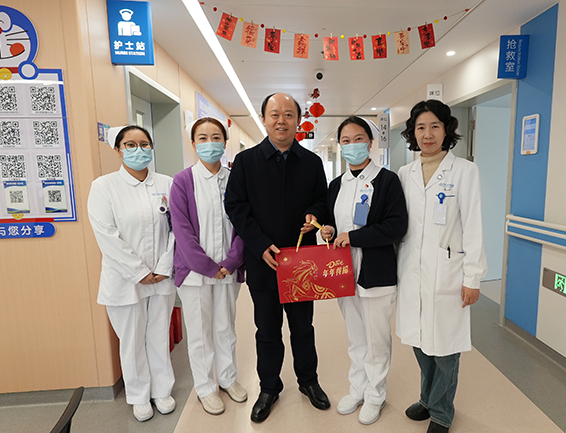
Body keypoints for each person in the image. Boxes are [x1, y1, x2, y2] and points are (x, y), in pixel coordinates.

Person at [225, 93, 330, 423]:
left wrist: (314, 215)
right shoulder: (246, 162)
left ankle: (308, 381)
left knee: (303, 328)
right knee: (267, 330)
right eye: (274, 114)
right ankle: (269, 387)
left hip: (301, 263)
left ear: (298, 120)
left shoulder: (311, 162)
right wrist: (260, 244)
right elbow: (235, 206)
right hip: (264, 262)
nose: (281, 120)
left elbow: (322, 200)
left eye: (288, 114)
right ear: (264, 119)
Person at [396, 100, 487, 433]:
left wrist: (473, 277)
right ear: (412, 133)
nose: (428, 134)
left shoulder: (464, 171)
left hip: (449, 271)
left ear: (447, 129)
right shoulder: (404, 174)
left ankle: (441, 412)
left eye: (435, 126)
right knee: (420, 341)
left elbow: (474, 225)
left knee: (446, 348)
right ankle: (427, 398)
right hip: (412, 270)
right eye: (421, 127)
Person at [320, 116, 408, 425]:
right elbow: (332, 222)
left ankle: (375, 395)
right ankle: (357, 388)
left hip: (375, 273)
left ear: (370, 143)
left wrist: (354, 237)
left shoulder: (387, 181)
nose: (352, 145)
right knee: (355, 337)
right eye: (346, 141)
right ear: (340, 146)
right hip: (344, 273)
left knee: (376, 339)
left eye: (358, 139)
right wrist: (329, 231)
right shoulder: (336, 185)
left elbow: (395, 226)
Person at [87, 125, 176, 422]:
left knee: (158, 334)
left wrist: (163, 266)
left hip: (162, 275)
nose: (139, 150)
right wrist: (138, 271)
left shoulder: (167, 183)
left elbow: (178, 229)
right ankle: (138, 395)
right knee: (132, 339)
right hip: (124, 278)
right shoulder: (104, 186)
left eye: (144, 144)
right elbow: (106, 235)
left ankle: (162, 390)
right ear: (118, 150)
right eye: (130, 144)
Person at [169, 117, 247, 416]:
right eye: (202, 138)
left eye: (216, 137)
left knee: (226, 327)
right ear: (193, 144)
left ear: (224, 143)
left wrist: (231, 261)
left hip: (228, 269)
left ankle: (227, 379)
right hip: (195, 273)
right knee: (200, 333)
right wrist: (207, 266)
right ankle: (205, 388)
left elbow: (244, 224)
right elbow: (182, 230)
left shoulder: (235, 179)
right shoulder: (183, 181)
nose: (209, 143)